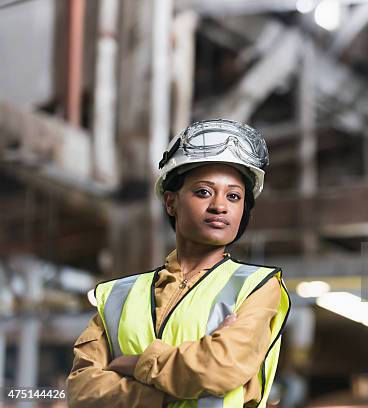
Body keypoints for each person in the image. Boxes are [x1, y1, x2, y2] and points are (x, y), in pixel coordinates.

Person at [66, 119, 291, 408]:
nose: (220, 206)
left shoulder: (255, 287)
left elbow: (219, 368)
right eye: (203, 192)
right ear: (171, 202)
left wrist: (136, 365)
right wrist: (170, 392)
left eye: (234, 196)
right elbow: (82, 391)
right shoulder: (117, 296)